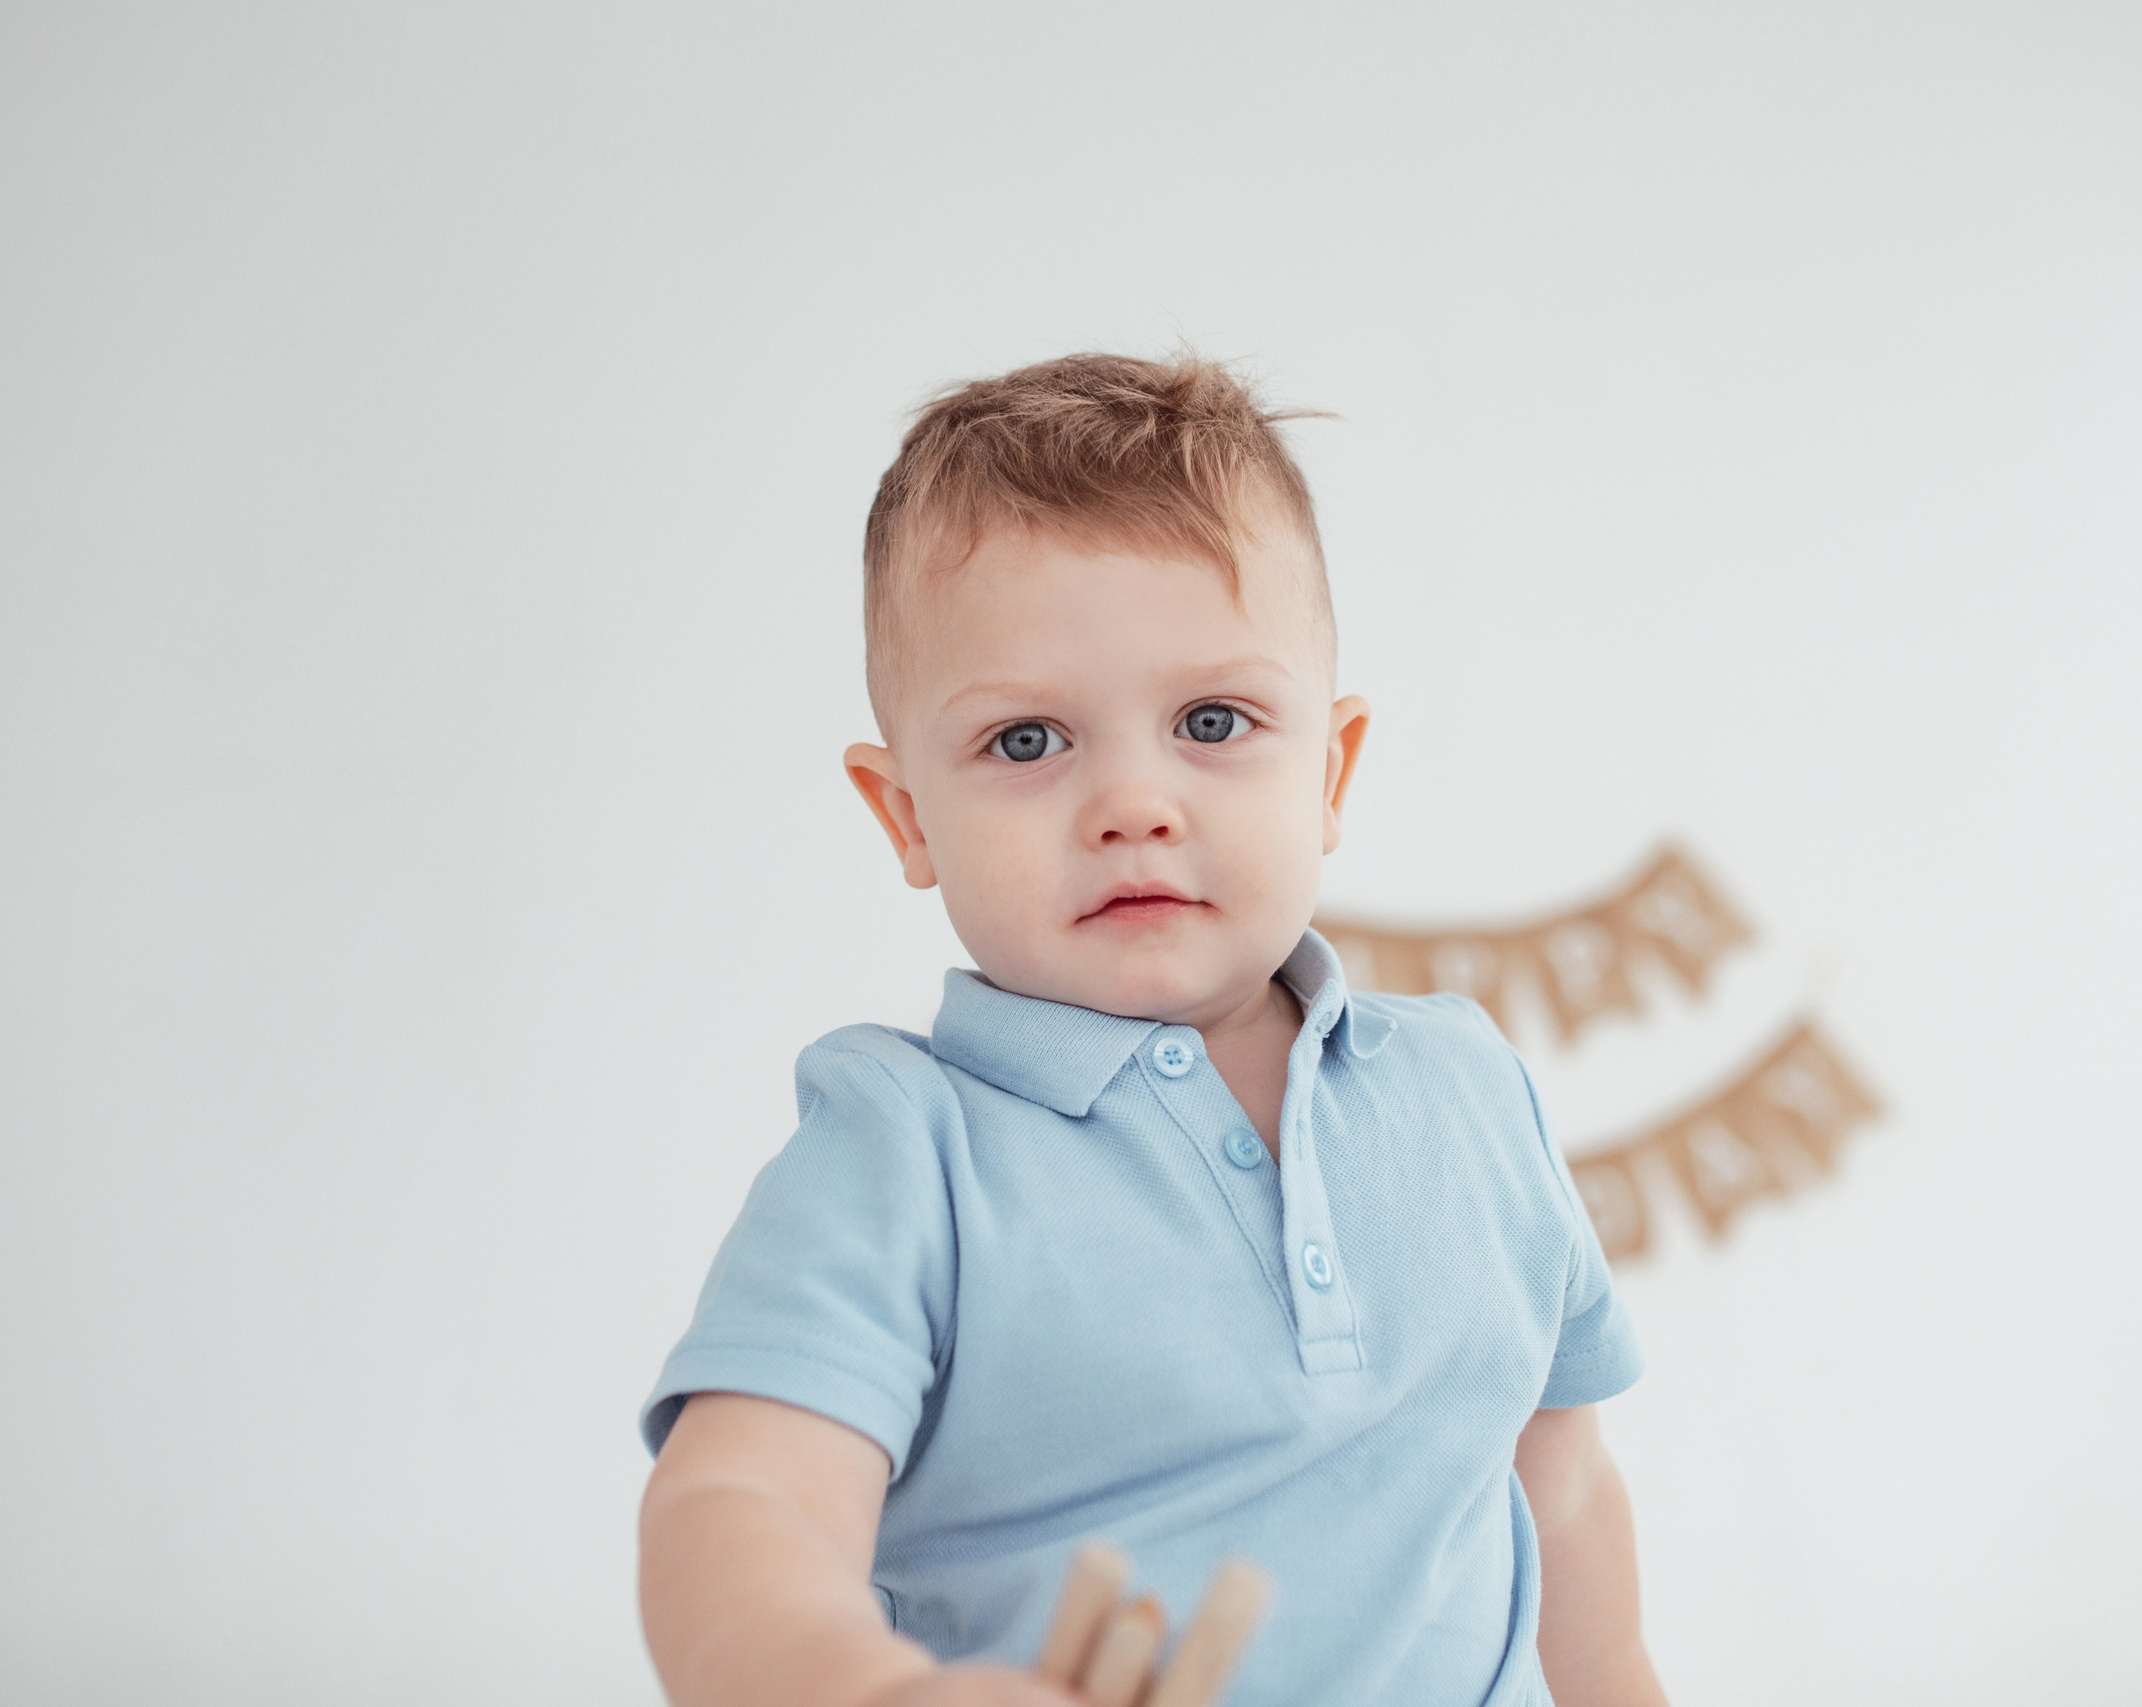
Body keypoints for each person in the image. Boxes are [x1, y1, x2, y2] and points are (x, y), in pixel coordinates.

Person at [636, 352, 1669, 1707]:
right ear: (905, 819)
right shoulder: (904, 1150)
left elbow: (1564, 1498)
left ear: (1331, 770)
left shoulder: (1469, 1093)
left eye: (1213, 721)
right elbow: (739, 1504)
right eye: (1026, 742)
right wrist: (868, 1691)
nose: (1133, 800)